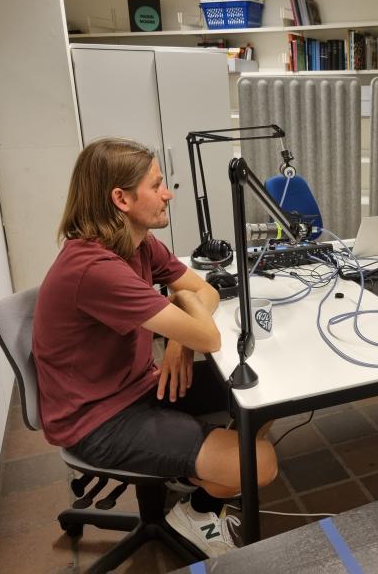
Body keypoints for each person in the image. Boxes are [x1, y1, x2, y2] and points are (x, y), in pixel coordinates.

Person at [33, 138, 277, 557]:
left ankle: (195, 484)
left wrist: (179, 336)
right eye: (157, 184)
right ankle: (194, 510)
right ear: (121, 198)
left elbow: (204, 290)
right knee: (260, 464)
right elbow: (211, 335)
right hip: (96, 420)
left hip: (137, 386)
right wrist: (183, 317)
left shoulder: (139, 242)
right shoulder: (95, 268)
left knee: (264, 396)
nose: (168, 193)